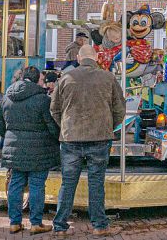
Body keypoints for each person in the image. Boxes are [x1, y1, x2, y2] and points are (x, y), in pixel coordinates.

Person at [50, 43, 126, 236]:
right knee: (96, 182)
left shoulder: (66, 78)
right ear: (97, 58)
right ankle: (100, 225)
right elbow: (119, 109)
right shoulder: (107, 77)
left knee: (68, 182)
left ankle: (60, 225)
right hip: (100, 137)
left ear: (78, 58)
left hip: (70, 139)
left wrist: (66, 125)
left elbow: (54, 109)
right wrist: (109, 125)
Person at [0, 65, 59, 235]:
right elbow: (51, 126)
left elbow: (0, 126)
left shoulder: (7, 97)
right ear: (38, 79)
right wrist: (57, 139)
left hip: (14, 149)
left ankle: (14, 222)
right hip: (38, 149)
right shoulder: (42, 99)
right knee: (37, 185)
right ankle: (36, 223)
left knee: (15, 184)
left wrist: (11, 138)